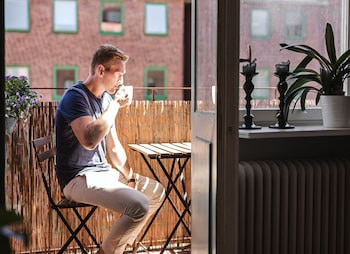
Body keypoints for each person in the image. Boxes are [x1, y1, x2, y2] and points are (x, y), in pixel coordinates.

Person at [55, 44, 165, 254]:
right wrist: (115, 105)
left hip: (104, 173)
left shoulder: (105, 98)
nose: (121, 80)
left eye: (123, 75)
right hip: (78, 179)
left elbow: (113, 148)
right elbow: (89, 140)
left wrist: (130, 177)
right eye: (118, 74)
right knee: (139, 206)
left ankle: (117, 248)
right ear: (101, 70)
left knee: (156, 193)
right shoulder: (75, 97)